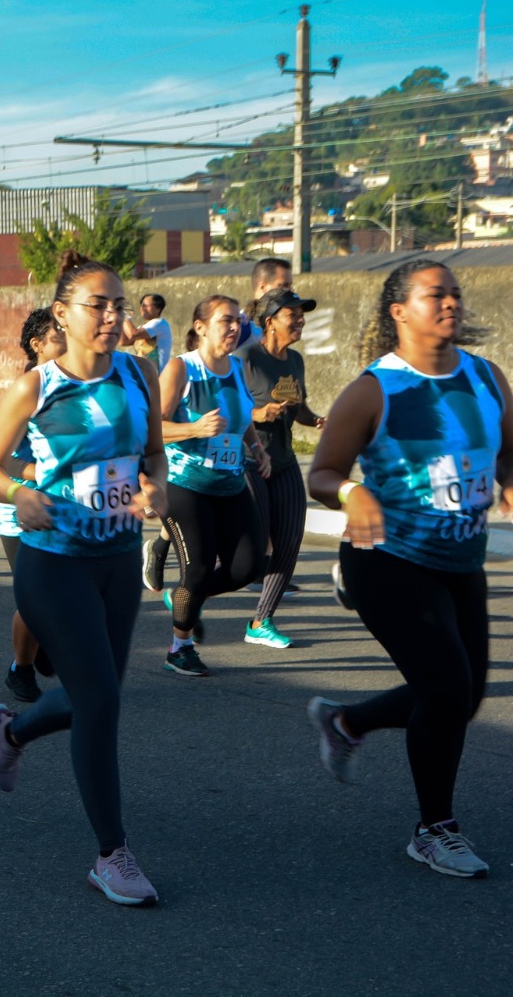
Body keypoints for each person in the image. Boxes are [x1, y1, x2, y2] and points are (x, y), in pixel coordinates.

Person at [305, 258, 509, 880]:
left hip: (460, 560)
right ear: (399, 311)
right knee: (446, 689)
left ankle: (346, 721)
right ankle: (434, 829)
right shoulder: (375, 389)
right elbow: (323, 473)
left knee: (463, 695)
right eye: (434, 295)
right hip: (387, 560)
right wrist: (351, 494)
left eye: (454, 293)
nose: (450, 303)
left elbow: (511, 459)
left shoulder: (487, 376)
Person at [0, 251, 168, 907]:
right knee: (103, 703)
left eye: (119, 304)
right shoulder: (36, 387)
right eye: (98, 305)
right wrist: (20, 493)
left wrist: (158, 493)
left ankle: (13, 731)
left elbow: (153, 458)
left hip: (117, 560)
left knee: (99, 692)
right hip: (51, 561)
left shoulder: (141, 375)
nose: (113, 316)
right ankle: (112, 854)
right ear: (63, 314)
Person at [154, 295, 271, 676]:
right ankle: (180, 646)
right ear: (201, 326)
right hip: (185, 484)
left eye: (238, 320)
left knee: (247, 567)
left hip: (231, 482)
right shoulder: (180, 369)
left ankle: (183, 596)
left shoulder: (236, 367)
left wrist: (255, 447)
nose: (235, 327)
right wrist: (193, 428)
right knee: (199, 569)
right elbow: (150, 428)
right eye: (226, 320)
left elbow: (243, 416)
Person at [238, 288, 326, 648]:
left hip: (285, 460)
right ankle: (193, 589)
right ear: (271, 321)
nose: (301, 319)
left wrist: (316, 418)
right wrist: (258, 414)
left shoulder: (295, 361)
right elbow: (225, 406)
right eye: (294, 314)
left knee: (289, 539)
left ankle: (261, 621)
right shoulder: (245, 358)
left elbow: (297, 407)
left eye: (302, 313)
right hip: (247, 460)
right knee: (254, 542)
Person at [0, 307, 66, 703]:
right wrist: (39, 470)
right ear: (37, 345)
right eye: (59, 335)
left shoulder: (79, 387)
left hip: (70, 511)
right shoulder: (27, 391)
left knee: (67, 595)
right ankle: (20, 668)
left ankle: (51, 646)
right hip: (23, 514)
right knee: (38, 598)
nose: (68, 341)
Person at [236, 258, 294, 351]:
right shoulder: (242, 325)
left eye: (290, 286)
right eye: (284, 286)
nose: (291, 291)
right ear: (263, 287)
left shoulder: (279, 323)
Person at [121, 293, 173, 371]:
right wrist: (118, 320)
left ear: (158, 308)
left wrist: (124, 315)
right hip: (144, 375)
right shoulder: (142, 328)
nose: (142, 308)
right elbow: (123, 341)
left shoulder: (160, 323)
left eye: (146, 306)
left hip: (158, 377)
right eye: (142, 305)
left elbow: (133, 334)